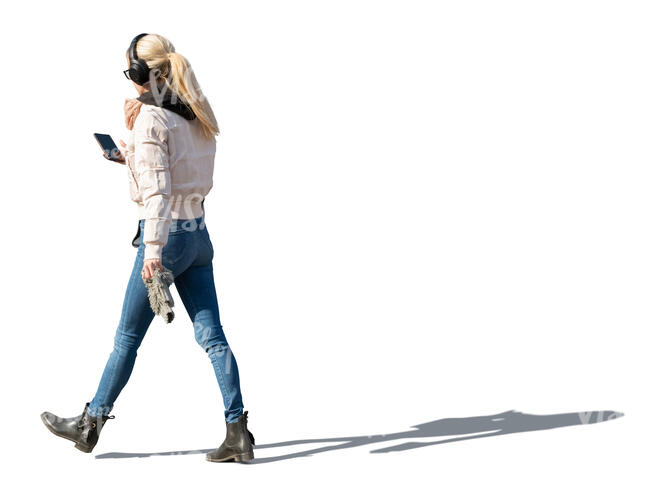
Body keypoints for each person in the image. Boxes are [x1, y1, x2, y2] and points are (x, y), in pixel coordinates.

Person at [40, 33, 255, 463]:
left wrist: (153, 252)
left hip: (167, 236)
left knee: (126, 337)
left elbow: (158, 195)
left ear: (142, 74)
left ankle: (89, 424)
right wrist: (131, 157)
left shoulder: (152, 120)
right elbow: (178, 175)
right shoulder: (197, 114)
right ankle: (239, 433)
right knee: (212, 336)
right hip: (198, 235)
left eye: (128, 70)